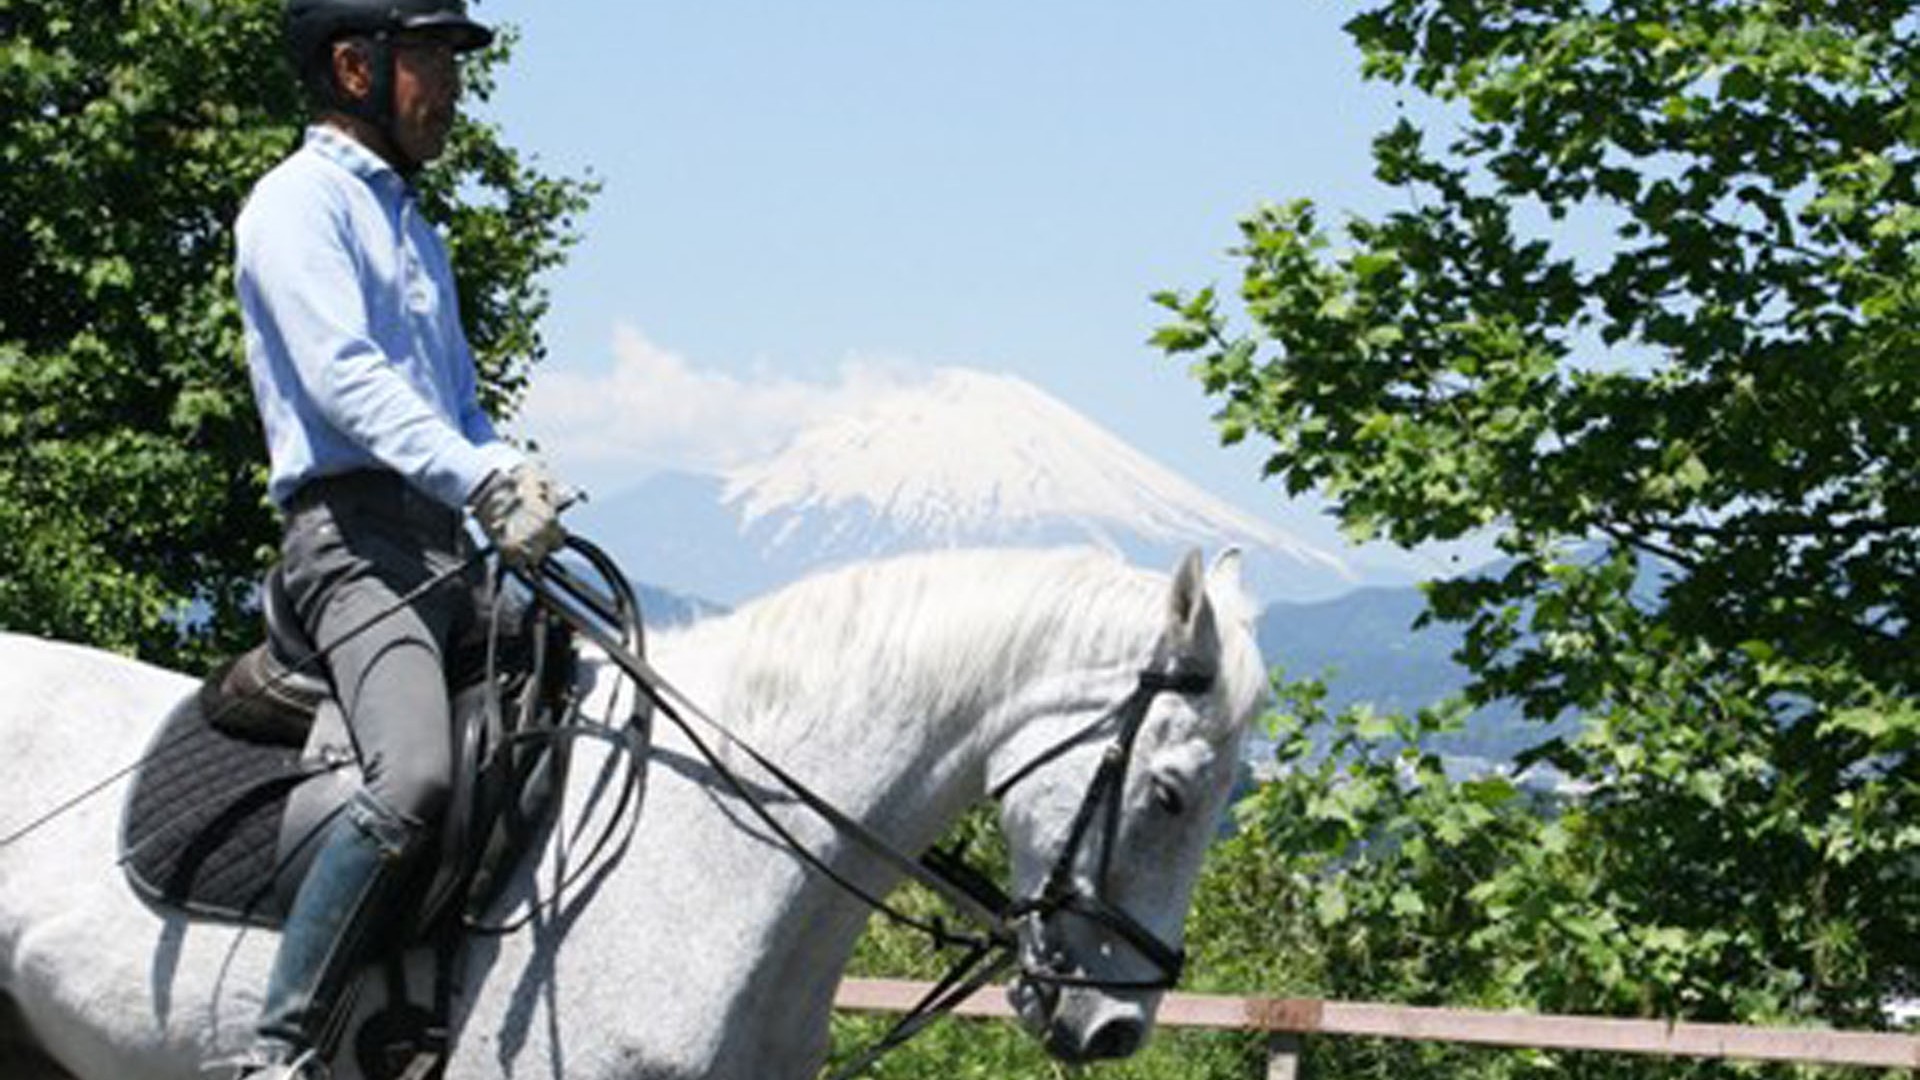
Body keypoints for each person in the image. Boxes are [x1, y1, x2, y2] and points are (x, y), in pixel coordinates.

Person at [219, 1, 565, 1076]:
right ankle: (280, 1049)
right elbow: (343, 380)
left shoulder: (415, 228)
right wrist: (483, 474)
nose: (451, 85)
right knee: (415, 773)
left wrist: (510, 468)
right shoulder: (297, 206)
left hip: (440, 539)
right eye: (431, 58)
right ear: (354, 66)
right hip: (350, 542)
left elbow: (457, 408)